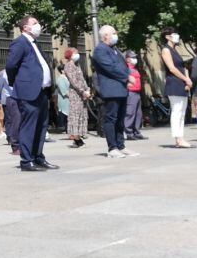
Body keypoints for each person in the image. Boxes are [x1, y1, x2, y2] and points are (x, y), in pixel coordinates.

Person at [5, 16, 58, 171]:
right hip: (28, 92)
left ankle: (38, 156)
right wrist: (19, 83)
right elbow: (11, 66)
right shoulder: (20, 42)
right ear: (25, 28)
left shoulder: (35, 43)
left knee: (41, 126)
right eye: (34, 23)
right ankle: (26, 160)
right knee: (29, 126)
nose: (38, 25)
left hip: (42, 92)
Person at [92, 25, 138, 158]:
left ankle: (121, 145)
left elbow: (123, 66)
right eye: (113, 33)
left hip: (121, 88)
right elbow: (110, 67)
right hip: (111, 89)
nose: (115, 35)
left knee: (120, 119)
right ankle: (112, 148)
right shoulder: (100, 49)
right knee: (111, 118)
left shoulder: (115, 49)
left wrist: (127, 77)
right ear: (105, 35)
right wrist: (127, 77)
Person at [160, 27, 194, 148]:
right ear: (167, 37)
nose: (177, 36)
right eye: (174, 34)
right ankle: (178, 139)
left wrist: (187, 80)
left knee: (182, 112)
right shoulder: (166, 50)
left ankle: (181, 138)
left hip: (181, 83)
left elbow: (182, 67)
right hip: (173, 83)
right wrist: (186, 79)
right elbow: (172, 68)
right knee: (177, 111)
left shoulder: (175, 50)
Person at [62, 48, 89, 149]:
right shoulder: (68, 66)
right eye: (76, 53)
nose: (78, 54)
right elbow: (74, 81)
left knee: (81, 115)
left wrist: (87, 89)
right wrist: (82, 91)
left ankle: (78, 137)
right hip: (75, 94)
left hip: (82, 94)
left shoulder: (77, 65)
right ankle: (77, 139)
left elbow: (82, 79)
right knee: (75, 115)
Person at [124, 51, 147, 140]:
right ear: (127, 59)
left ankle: (136, 132)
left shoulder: (135, 69)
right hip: (130, 93)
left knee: (138, 114)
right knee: (130, 113)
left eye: (135, 57)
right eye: (132, 57)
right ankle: (129, 133)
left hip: (137, 93)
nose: (135, 59)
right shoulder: (125, 69)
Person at [0, 69, 20, 155]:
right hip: (7, 98)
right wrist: (0, 97)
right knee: (9, 119)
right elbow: (0, 87)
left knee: (16, 119)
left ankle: (15, 139)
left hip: (18, 97)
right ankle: (10, 137)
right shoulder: (2, 73)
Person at [54, 65, 70, 136]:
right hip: (64, 101)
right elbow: (64, 91)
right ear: (62, 71)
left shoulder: (66, 78)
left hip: (68, 100)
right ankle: (67, 130)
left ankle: (69, 131)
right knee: (66, 116)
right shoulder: (60, 79)